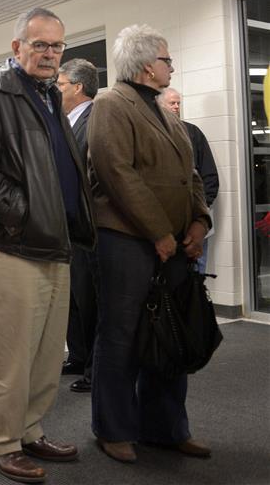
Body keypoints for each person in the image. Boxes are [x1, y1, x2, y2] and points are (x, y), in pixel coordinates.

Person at [0, 7, 96, 483]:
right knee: (13, 355)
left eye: (57, 46)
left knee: (48, 353)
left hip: (55, 244)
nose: (50, 54)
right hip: (14, 246)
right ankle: (2, 443)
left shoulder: (48, 95)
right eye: (40, 45)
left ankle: (30, 430)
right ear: (17, 48)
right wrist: (21, 216)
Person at [88, 24, 212, 464]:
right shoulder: (110, 104)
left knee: (171, 333)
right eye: (166, 59)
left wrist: (198, 222)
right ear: (145, 65)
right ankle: (114, 429)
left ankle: (166, 428)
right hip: (126, 242)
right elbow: (117, 173)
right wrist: (159, 232)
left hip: (174, 244)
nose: (171, 66)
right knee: (121, 336)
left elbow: (190, 175)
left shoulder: (162, 109)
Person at [55, 58, 100, 394]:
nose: (57, 90)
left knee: (89, 298)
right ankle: (78, 355)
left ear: (78, 87)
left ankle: (95, 367)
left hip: (87, 226)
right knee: (70, 296)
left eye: (61, 85)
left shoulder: (96, 119)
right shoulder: (63, 121)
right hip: (64, 227)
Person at [158, 87, 220, 275]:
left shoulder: (193, 133)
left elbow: (209, 177)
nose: (176, 107)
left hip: (196, 216)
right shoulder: (151, 134)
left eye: (178, 103)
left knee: (196, 271)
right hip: (165, 220)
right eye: (172, 103)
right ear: (159, 105)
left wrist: (201, 212)